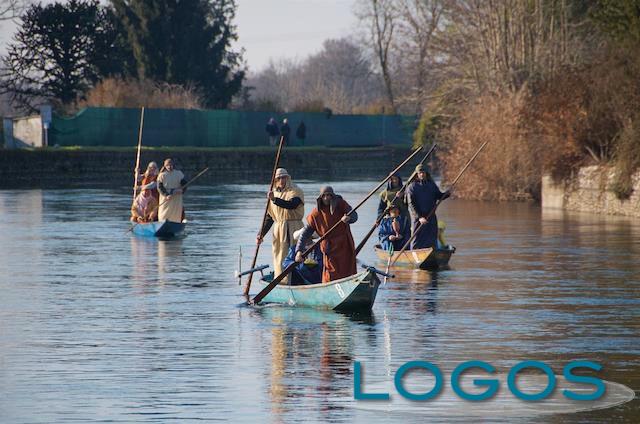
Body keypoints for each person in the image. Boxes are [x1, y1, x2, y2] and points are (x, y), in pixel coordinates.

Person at [295, 186, 357, 283]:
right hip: (330, 249)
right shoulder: (316, 213)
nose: (326, 198)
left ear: (333, 196)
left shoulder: (341, 204)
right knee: (331, 274)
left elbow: (354, 215)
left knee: (347, 270)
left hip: (344, 245)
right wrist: (299, 251)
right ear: (320, 197)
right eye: (324, 196)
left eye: (329, 195)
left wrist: (349, 218)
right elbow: (305, 233)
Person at [257, 168, 305, 284]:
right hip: (279, 230)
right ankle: (282, 281)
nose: (281, 180)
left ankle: (298, 281)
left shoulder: (295, 191)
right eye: (279, 178)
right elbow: (269, 218)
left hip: (294, 227)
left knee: (296, 254)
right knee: (280, 256)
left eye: (284, 177)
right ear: (275, 180)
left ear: (288, 178)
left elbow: (292, 205)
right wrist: (261, 234)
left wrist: (274, 200)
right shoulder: (273, 194)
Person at [406, 164, 450, 249]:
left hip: (431, 215)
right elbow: (411, 204)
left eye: (423, 172)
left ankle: (433, 252)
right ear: (417, 174)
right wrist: (420, 217)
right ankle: (415, 252)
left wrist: (447, 194)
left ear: (426, 173)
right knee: (417, 237)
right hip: (418, 217)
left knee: (432, 235)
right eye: (420, 173)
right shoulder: (412, 187)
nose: (422, 174)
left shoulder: (431, 185)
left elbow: (439, 196)